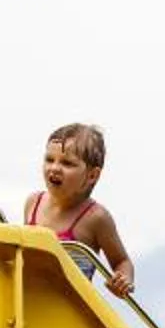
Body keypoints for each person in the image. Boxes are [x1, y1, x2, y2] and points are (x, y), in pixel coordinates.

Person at [26, 121, 136, 296]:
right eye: (49, 159)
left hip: (70, 309)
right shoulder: (33, 203)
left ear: (92, 175)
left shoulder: (95, 218)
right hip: (31, 299)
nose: (54, 168)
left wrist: (123, 280)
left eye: (67, 163)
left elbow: (122, 261)